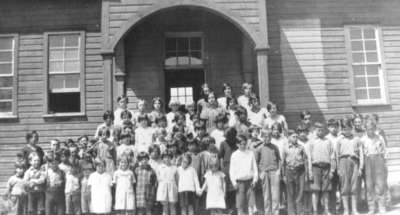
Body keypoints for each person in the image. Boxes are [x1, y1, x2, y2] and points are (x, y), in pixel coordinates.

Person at [308, 122, 336, 215]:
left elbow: (332, 156)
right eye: (318, 130)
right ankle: (315, 211)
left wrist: (332, 170)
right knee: (315, 190)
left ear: (325, 130)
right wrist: (310, 171)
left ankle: (326, 209)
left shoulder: (328, 141)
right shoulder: (312, 141)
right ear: (315, 130)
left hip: (326, 168)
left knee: (326, 190)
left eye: (322, 130)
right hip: (315, 167)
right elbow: (309, 157)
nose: (320, 131)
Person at [337, 119, 363, 215]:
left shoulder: (356, 139)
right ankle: (346, 210)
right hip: (343, 162)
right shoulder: (339, 140)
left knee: (354, 185)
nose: (346, 131)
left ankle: (354, 210)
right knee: (344, 186)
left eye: (348, 129)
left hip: (354, 162)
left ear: (351, 128)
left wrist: (360, 167)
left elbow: (361, 154)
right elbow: (336, 155)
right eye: (344, 129)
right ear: (342, 129)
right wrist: (338, 168)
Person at [361, 121, 387, 214]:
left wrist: (384, 161)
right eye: (368, 129)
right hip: (367, 160)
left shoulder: (379, 138)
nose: (370, 131)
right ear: (366, 129)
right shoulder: (363, 139)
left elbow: (385, 150)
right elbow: (361, 152)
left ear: (375, 129)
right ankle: (372, 207)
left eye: (372, 129)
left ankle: (382, 206)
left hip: (378, 159)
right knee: (369, 185)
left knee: (380, 184)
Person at [230, 134, 258, 215]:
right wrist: (234, 183)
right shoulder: (234, 155)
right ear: (237, 144)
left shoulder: (250, 153)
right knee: (240, 204)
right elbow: (231, 171)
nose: (243, 145)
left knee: (251, 204)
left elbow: (255, 168)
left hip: (250, 182)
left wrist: (255, 180)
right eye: (241, 144)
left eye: (244, 144)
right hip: (240, 183)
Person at [255, 129, 281, 215]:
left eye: (269, 137)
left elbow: (279, 160)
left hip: (274, 172)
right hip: (264, 173)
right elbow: (256, 162)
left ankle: (275, 212)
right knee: (266, 195)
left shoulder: (275, 147)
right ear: (262, 137)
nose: (267, 138)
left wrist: (278, 170)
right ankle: (268, 213)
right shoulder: (259, 148)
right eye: (265, 137)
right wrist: (260, 172)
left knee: (275, 195)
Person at [282, 130, 308, 215]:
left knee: (300, 192)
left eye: (296, 137)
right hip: (289, 171)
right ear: (289, 137)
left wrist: (306, 174)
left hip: (300, 171)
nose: (295, 138)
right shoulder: (285, 148)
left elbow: (305, 160)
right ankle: (291, 213)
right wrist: (284, 175)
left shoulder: (301, 147)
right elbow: (283, 163)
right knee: (290, 193)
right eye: (293, 137)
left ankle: (300, 212)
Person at [218, 127, 238, 211]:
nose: (227, 138)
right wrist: (222, 169)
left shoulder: (237, 143)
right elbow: (221, 157)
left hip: (236, 167)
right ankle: (226, 208)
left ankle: (234, 208)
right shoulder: (223, 143)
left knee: (235, 188)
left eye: (229, 136)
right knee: (226, 189)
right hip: (226, 167)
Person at [326, 118, 341, 214]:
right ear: (328, 128)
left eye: (336, 127)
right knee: (332, 188)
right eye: (332, 127)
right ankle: (332, 209)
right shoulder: (327, 138)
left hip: (341, 165)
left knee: (342, 187)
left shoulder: (341, 137)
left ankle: (342, 207)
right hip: (331, 166)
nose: (334, 129)